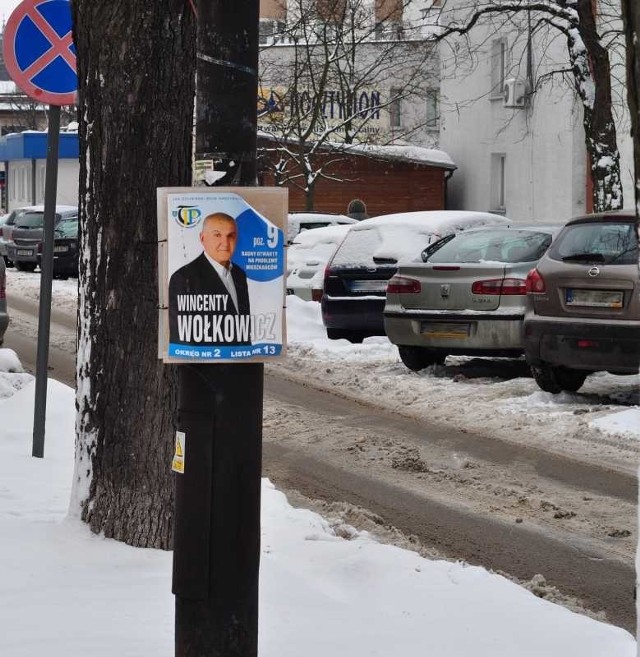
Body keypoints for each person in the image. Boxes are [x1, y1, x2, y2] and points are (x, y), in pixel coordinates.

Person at [169, 212, 251, 346]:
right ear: (202, 238)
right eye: (217, 235)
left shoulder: (239, 274)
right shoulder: (183, 277)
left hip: (240, 361)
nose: (225, 243)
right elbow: (180, 337)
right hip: (204, 364)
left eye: (230, 236)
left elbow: (243, 327)